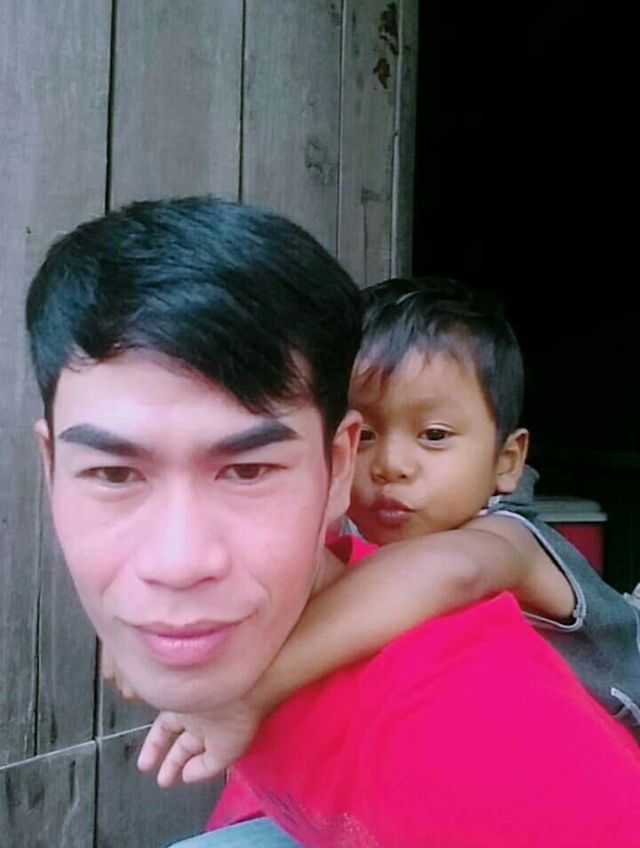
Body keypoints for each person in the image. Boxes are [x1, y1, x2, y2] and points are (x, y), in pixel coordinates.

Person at [27, 199, 640, 848]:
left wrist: (245, 693)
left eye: (248, 471)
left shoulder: (505, 542)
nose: (392, 466)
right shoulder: (330, 564)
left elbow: (449, 572)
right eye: (114, 474)